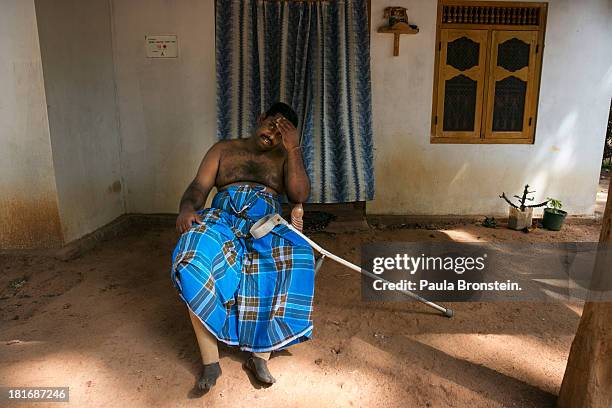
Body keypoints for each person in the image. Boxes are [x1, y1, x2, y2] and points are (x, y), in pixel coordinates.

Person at [171, 102, 315, 393]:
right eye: (272, 125)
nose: (273, 135)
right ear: (261, 118)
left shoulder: (284, 156)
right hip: (222, 219)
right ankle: (210, 360)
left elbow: (300, 194)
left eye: (281, 134)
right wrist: (186, 208)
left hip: (265, 223)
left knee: (299, 256)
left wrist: (293, 149)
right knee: (192, 253)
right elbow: (198, 187)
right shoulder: (223, 149)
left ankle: (260, 355)